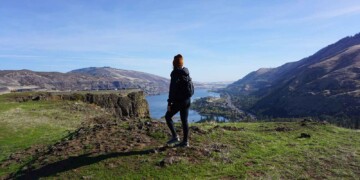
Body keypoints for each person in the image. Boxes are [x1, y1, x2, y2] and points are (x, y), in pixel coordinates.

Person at [165, 54, 192, 147]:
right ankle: (185, 142)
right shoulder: (186, 71)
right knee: (184, 120)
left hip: (179, 101)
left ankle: (175, 136)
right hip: (187, 100)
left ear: (174, 63)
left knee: (168, 117)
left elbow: (172, 89)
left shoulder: (175, 73)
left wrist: (169, 103)